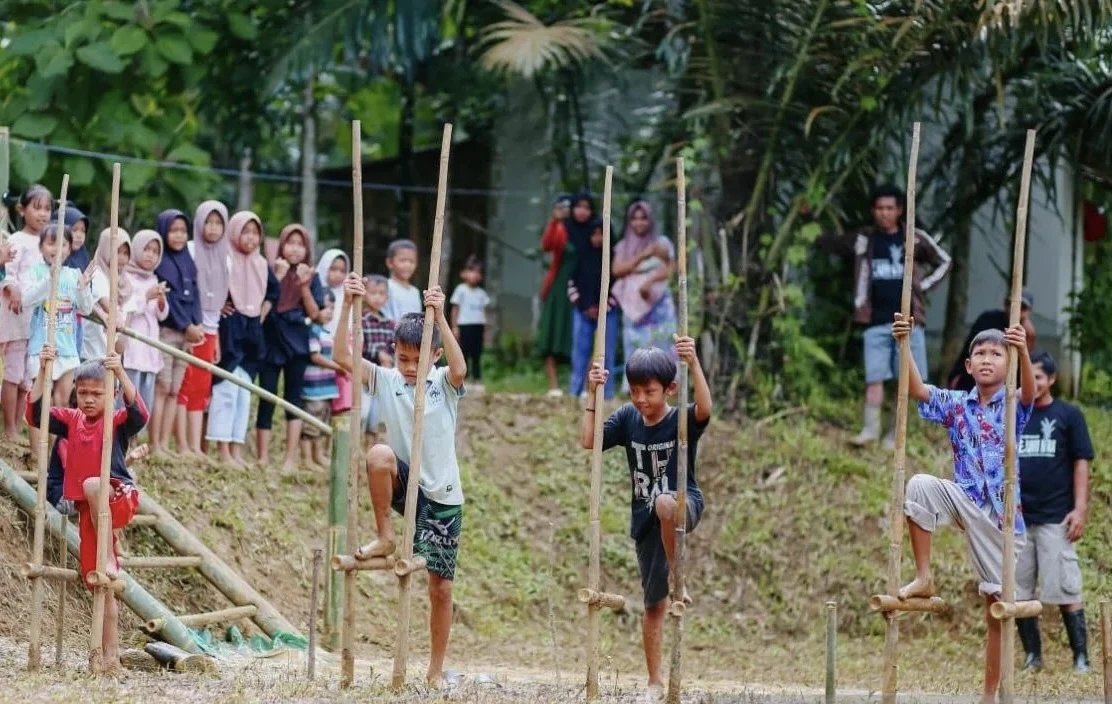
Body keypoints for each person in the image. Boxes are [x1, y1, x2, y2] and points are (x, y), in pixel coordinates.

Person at [333, 272, 466, 690]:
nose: (410, 368)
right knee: (378, 453)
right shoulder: (388, 381)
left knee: (440, 589)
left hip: (442, 497)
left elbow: (460, 367)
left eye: (418, 359)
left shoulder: (443, 383)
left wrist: (440, 315)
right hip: (407, 487)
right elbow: (341, 356)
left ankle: (435, 669)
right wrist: (347, 304)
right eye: (403, 359)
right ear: (394, 355)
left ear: (434, 356)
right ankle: (386, 535)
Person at [892, 314, 1034, 704]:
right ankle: (923, 576)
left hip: (1003, 519)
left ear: (1007, 366)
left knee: (996, 612)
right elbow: (918, 389)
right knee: (919, 485)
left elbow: (1029, 395)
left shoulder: (1011, 405)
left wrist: (1021, 348)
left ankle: (991, 694)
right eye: (980, 354)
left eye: (996, 354)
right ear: (969, 366)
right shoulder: (957, 404)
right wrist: (904, 344)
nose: (988, 359)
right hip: (965, 500)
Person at [579, 339, 711, 704]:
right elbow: (589, 440)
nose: (641, 399)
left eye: (649, 392)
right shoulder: (626, 419)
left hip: (685, 505)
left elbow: (705, 408)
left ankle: (677, 574)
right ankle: (654, 681)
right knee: (653, 606)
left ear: (669, 389)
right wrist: (593, 393)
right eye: (635, 391)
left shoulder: (680, 418)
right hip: (645, 521)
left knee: (667, 503)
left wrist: (694, 361)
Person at [26, 347, 147, 675]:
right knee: (101, 588)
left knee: (95, 484)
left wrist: (120, 371)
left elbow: (140, 415)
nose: (89, 400)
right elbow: (36, 413)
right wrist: (43, 371)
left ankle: (112, 545)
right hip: (89, 514)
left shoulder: (117, 420)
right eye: (83, 393)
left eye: (98, 393)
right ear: (75, 394)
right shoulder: (71, 420)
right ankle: (108, 658)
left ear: (113, 395)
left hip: (118, 497)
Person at [818, 185, 951, 448]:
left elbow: (944, 261)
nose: (884, 213)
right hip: (876, 320)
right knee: (874, 378)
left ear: (899, 210)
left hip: (909, 323)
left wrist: (921, 286)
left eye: (890, 208)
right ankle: (870, 430)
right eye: (879, 208)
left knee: (905, 381)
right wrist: (812, 221)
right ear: (873, 211)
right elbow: (835, 243)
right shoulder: (865, 239)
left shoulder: (914, 237)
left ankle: (894, 435)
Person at [1015, 351, 1094, 673]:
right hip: (1018, 520)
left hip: (1055, 517)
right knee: (1019, 594)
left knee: (1065, 588)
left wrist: (1080, 509)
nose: (1033, 382)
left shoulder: (1068, 415)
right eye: (1027, 376)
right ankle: (1033, 657)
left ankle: (1081, 658)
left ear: (1051, 379)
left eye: (1038, 377)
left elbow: (1081, 462)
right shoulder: (1014, 413)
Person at [209, 211, 278, 467]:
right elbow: (211, 289)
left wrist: (258, 314)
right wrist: (219, 307)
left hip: (252, 335)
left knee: (244, 395)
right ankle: (223, 450)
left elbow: (274, 292)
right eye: (245, 231)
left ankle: (237, 449)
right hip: (230, 332)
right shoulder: (226, 259)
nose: (250, 238)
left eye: (255, 232)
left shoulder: (261, 264)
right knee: (225, 392)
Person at [257, 223, 323, 472]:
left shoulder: (311, 276)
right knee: (267, 395)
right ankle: (263, 456)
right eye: (290, 242)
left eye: (300, 244)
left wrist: (304, 285)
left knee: (293, 399)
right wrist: (279, 276)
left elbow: (315, 313)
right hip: (271, 337)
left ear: (306, 248)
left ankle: (290, 459)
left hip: (297, 341)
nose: (294, 249)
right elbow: (261, 302)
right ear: (281, 245)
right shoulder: (270, 270)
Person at [179, 201, 230, 460]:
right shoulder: (189, 250)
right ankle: (182, 445)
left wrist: (216, 336)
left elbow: (217, 305)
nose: (212, 228)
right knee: (183, 385)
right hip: (190, 328)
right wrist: (189, 327)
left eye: (218, 223)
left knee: (202, 387)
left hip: (210, 330)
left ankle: (196, 448)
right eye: (208, 222)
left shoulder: (225, 257)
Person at [0, 184, 52, 439]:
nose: (42, 214)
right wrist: (14, 289)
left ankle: (19, 425)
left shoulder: (49, 242)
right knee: (12, 373)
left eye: (47, 209)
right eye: (37, 207)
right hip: (15, 316)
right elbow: (7, 274)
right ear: (22, 210)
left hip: (36, 319)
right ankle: (9, 427)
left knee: (26, 377)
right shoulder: (17, 240)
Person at [152, 209, 204, 457]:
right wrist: (187, 325)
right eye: (174, 230)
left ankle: (164, 443)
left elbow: (194, 295)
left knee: (175, 389)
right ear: (164, 231)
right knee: (162, 387)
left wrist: (198, 323)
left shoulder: (188, 261)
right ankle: (153, 443)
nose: (179, 236)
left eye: (183, 231)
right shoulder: (160, 263)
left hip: (187, 335)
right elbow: (169, 298)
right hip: (167, 331)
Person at [611, 200, 677, 394]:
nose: (639, 223)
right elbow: (617, 270)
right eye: (635, 219)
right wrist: (643, 255)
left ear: (650, 220)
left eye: (644, 218)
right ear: (629, 221)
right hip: (634, 308)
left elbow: (671, 268)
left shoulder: (662, 243)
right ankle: (636, 389)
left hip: (660, 307)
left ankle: (667, 387)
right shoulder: (623, 246)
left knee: (663, 344)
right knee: (636, 348)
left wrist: (651, 281)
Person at [567, 212, 618, 400]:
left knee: (606, 351)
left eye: (602, 233)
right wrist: (585, 306)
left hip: (608, 312)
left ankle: (607, 393)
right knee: (579, 352)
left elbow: (619, 287)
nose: (598, 238)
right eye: (594, 233)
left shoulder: (614, 258)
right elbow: (572, 284)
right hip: (582, 312)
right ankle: (575, 391)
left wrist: (604, 307)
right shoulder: (582, 256)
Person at [948, 290, 1037, 391]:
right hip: (972, 382)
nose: (1018, 311)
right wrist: (957, 373)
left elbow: (1024, 365)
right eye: (1013, 305)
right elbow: (969, 349)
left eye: (1023, 308)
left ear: (1029, 312)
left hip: (1004, 387)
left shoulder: (1028, 333)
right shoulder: (988, 319)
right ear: (1005, 305)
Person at [122, 229, 168, 416]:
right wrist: (146, 297)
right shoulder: (126, 277)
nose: (150, 255)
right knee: (128, 396)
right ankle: (123, 438)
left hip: (150, 346)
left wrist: (161, 302)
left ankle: (136, 438)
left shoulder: (155, 279)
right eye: (147, 249)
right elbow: (128, 308)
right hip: (132, 346)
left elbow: (161, 316)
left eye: (155, 251)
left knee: (145, 399)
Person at [535, 195, 574, 397]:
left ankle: (580, 385)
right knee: (552, 334)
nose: (565, 210)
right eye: (561, 207)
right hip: (558, 286)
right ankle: (553, 385)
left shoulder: (582, 229)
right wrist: (554, 220)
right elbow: (547, 245)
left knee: (577, 336)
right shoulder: (559, 228)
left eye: (568, 207)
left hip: (578, 287)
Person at [301, 291, 344, 470]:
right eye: (324, 307)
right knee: (310, 424)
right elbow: (315, 356)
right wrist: (338, 367)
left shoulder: (327, 332)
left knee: (322, 422)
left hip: (327, 387)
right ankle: (306, 459)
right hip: (313, 387)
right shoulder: (312, 331)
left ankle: (317, 455)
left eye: (332, 308)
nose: (328, 311)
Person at [81, 228, 132, 361]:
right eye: (117, 252)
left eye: (126, 253)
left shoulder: (125, 283)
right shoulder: (97, 274)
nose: (121, 258)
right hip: (92, 351)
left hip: (111, 354)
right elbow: (105, 302)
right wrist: (117, 317)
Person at [360, 274, 394, 445]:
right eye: (373, 293)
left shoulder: (390, 324)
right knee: (362, 414)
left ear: (387, 297)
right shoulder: (361, 321)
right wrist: (378, 354)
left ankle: (371, 453)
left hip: (382, 378)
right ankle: (356, 453)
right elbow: (360, 348)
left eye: (382, 294)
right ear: (365, 294)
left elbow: (394, 348)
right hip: (365, 376)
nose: (377, 298)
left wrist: (389, 359)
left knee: (376, 418)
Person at [450, 255, 490, 392]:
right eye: (472, 271)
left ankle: (477, 379)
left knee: (477, 354)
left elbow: (484, 313)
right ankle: (463, 380)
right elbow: (455, 309)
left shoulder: (482, 293)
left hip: (477, 326)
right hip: (464, 326)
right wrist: (454, 327)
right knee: (464, 353)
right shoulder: (460, 290)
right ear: (464, 274)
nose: (476, 275)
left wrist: (485, 331)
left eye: (479, 272)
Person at [382, 239, 422, 321]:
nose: (408, 265)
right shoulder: (386, 287)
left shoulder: (415, 291)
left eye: (412, 261)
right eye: (402, 260)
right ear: (389, 263)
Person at [315, 248, 350, 335]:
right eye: (333, 269)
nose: (338, 274)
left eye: (342, 271)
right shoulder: (313, 292)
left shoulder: (348, 295)